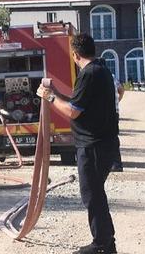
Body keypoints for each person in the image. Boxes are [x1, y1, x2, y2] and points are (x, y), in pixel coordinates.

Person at [37, 33, 120, 254]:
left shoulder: (88, 74)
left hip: (93, 146)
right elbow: (79, 103)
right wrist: (55, 93)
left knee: (91, 194)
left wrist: (50, 98)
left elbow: (73, 111)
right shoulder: (101, 70)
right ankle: (106, 243)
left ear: (75, 54)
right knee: (95, 193)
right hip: (103, 144)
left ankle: (101, 244)